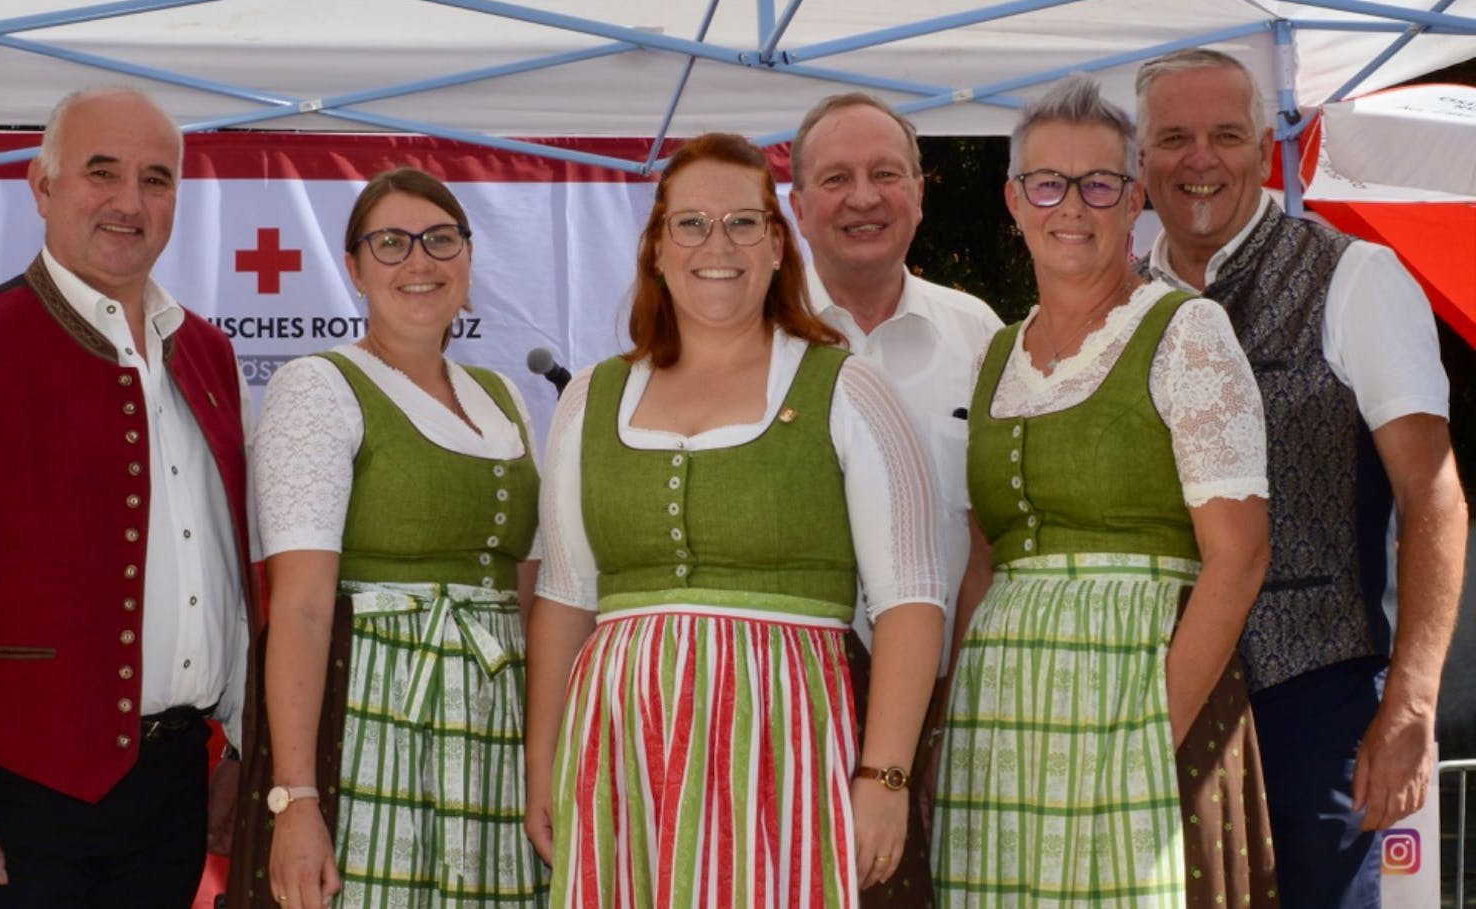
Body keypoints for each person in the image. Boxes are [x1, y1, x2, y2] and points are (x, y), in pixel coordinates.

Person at [523, 132, 946, 907]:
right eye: (690, 224)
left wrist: (885, 775)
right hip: (622, 750)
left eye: (743, 223)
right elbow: (564, 596)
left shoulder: (846, 387)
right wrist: (542, 760)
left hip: (786, 744)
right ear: (655, 247)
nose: (716, 244)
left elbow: (911, 599)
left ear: (780, 245)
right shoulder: (590, 397)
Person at [0, 87, 252, 907]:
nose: (129, 202)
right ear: (41, 187)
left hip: (171, 790)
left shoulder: (210, 356)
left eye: (156, 179)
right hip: (9, 795)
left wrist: (243, 756)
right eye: (100, 173)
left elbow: (234, 575)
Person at [1136, 48, 1468, 909]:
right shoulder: (1124, 303)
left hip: (1316, 699)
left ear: (1260, 150)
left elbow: (1433, 495)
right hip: (1162, 695)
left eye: (1224, 135)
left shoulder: (1354, 276)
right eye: (1173, 137)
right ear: (1141, 163)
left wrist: (1411, 702)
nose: (1198, 158)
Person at [931, 75, 1274, 907]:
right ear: (1015, 200)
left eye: (1099, 184)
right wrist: (949, 718)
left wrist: (1152, 731)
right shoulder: (998, 354)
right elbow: (983, 558)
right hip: (1004, 715)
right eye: (1048, 183)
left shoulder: (1186, 332)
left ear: (1134, 202)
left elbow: (1239, 556)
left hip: (1140, 690)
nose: (1071, 207)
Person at [227, 167, 547, 909]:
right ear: (355, 268)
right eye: (392, 243)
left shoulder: (502, 397)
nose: (419, 262)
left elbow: (530, 600)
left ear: (468, 258)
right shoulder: (318, 386)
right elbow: (301, 606)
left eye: (440, 240)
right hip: (377, 707)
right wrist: (297, 795)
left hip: (494, 722)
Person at [789, 93, 1004, 907]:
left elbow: (996, 536)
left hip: (954, 709)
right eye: (836, 178)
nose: (863, 197)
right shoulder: (752, 336)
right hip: (793, 710)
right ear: (799, 205)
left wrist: (956, 708)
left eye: (886, 173)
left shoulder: (979, 334)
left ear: (921, 190)